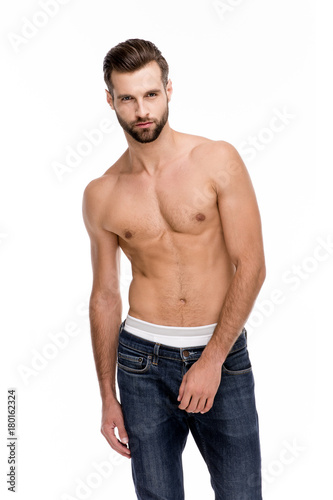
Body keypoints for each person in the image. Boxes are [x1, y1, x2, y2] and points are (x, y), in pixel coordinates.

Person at [82, 38, 266, 500]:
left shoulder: (216, 160)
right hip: (140, 364)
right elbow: (104, 295)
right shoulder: (101, 193)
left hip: (220, 357)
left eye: (150, 94)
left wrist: (212, 360)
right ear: (111, 101)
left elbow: (252, 265)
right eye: (127, 97)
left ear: (168, 90)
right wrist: (108, 395)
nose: (141, 109)